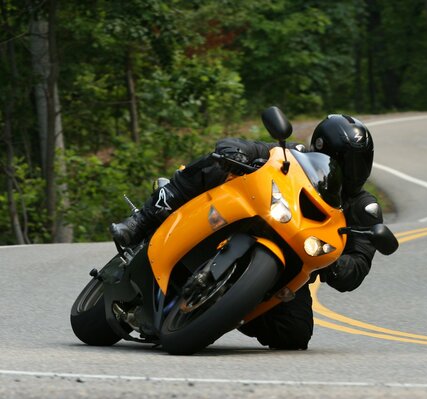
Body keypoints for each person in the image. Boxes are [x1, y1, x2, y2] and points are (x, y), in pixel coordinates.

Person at [110, 114, 383, 350]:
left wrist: (335, 261)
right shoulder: (293, 156)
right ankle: (141, 221)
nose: (353, 171)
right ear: (323, 153)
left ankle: (225, 308)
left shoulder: (363, 208)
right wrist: (236, 151)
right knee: (218, 165)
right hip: (248, 216)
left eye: (360, 162)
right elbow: (254, 149)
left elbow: (356, 267)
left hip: (289, 265)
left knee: (294, 335)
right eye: (345, 162)